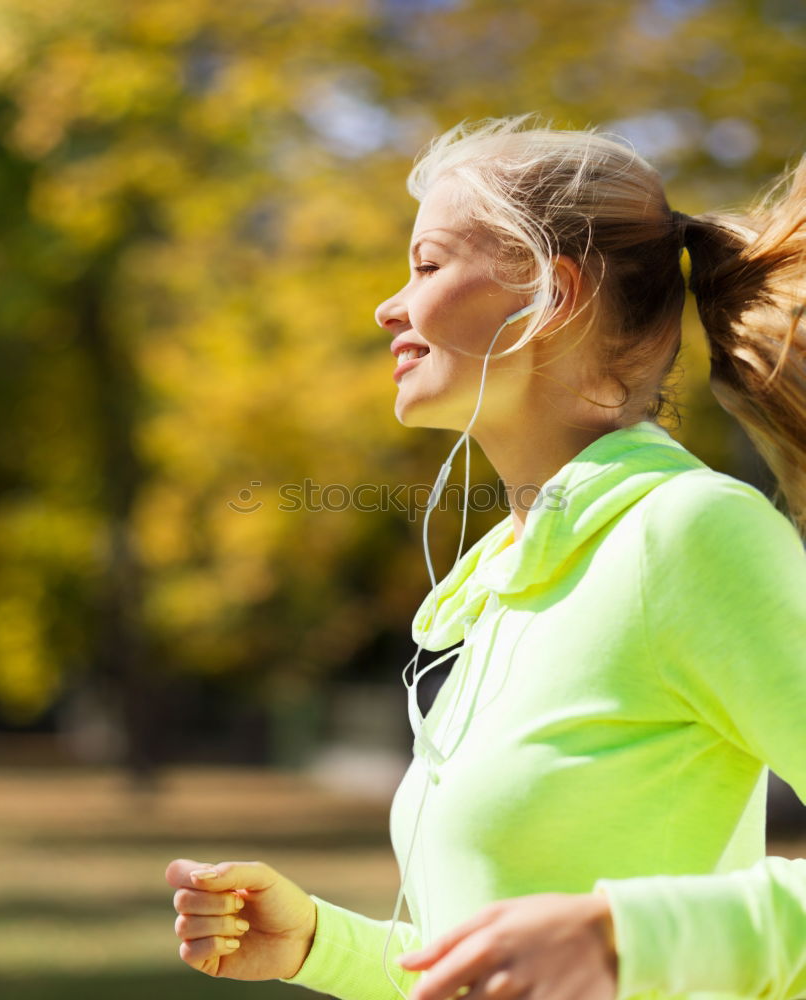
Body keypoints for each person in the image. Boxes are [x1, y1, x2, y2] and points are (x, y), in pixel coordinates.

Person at [166, 114, 806, 1000]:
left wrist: (637, 937)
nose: (389, 305)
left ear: (555, 296)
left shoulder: (686, 535)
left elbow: (598, 948)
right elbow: (512, 957)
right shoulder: (511, 575)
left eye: (427, 265)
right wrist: (319, 944)